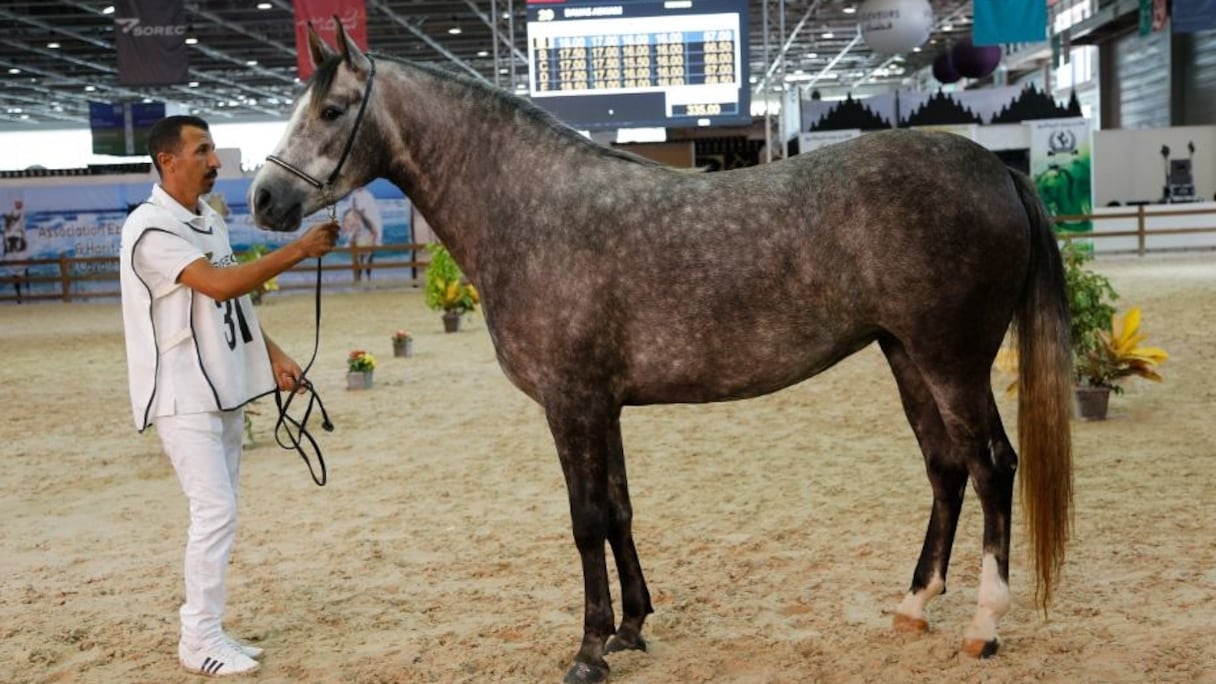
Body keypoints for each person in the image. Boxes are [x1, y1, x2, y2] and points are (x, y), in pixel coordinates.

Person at [119, 115, 339, 677]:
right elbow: (218, 284)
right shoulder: (150, 229)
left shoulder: (207, 221)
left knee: (223, 511)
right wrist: (298, 250)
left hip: (222, 387)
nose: (215, 162)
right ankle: (197, 638)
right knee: (213, 512)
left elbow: (230, 300)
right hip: (182, 393)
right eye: (202, 150)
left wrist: (273, 354)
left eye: (213, 149)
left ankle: (209, 628)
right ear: (168, 160)